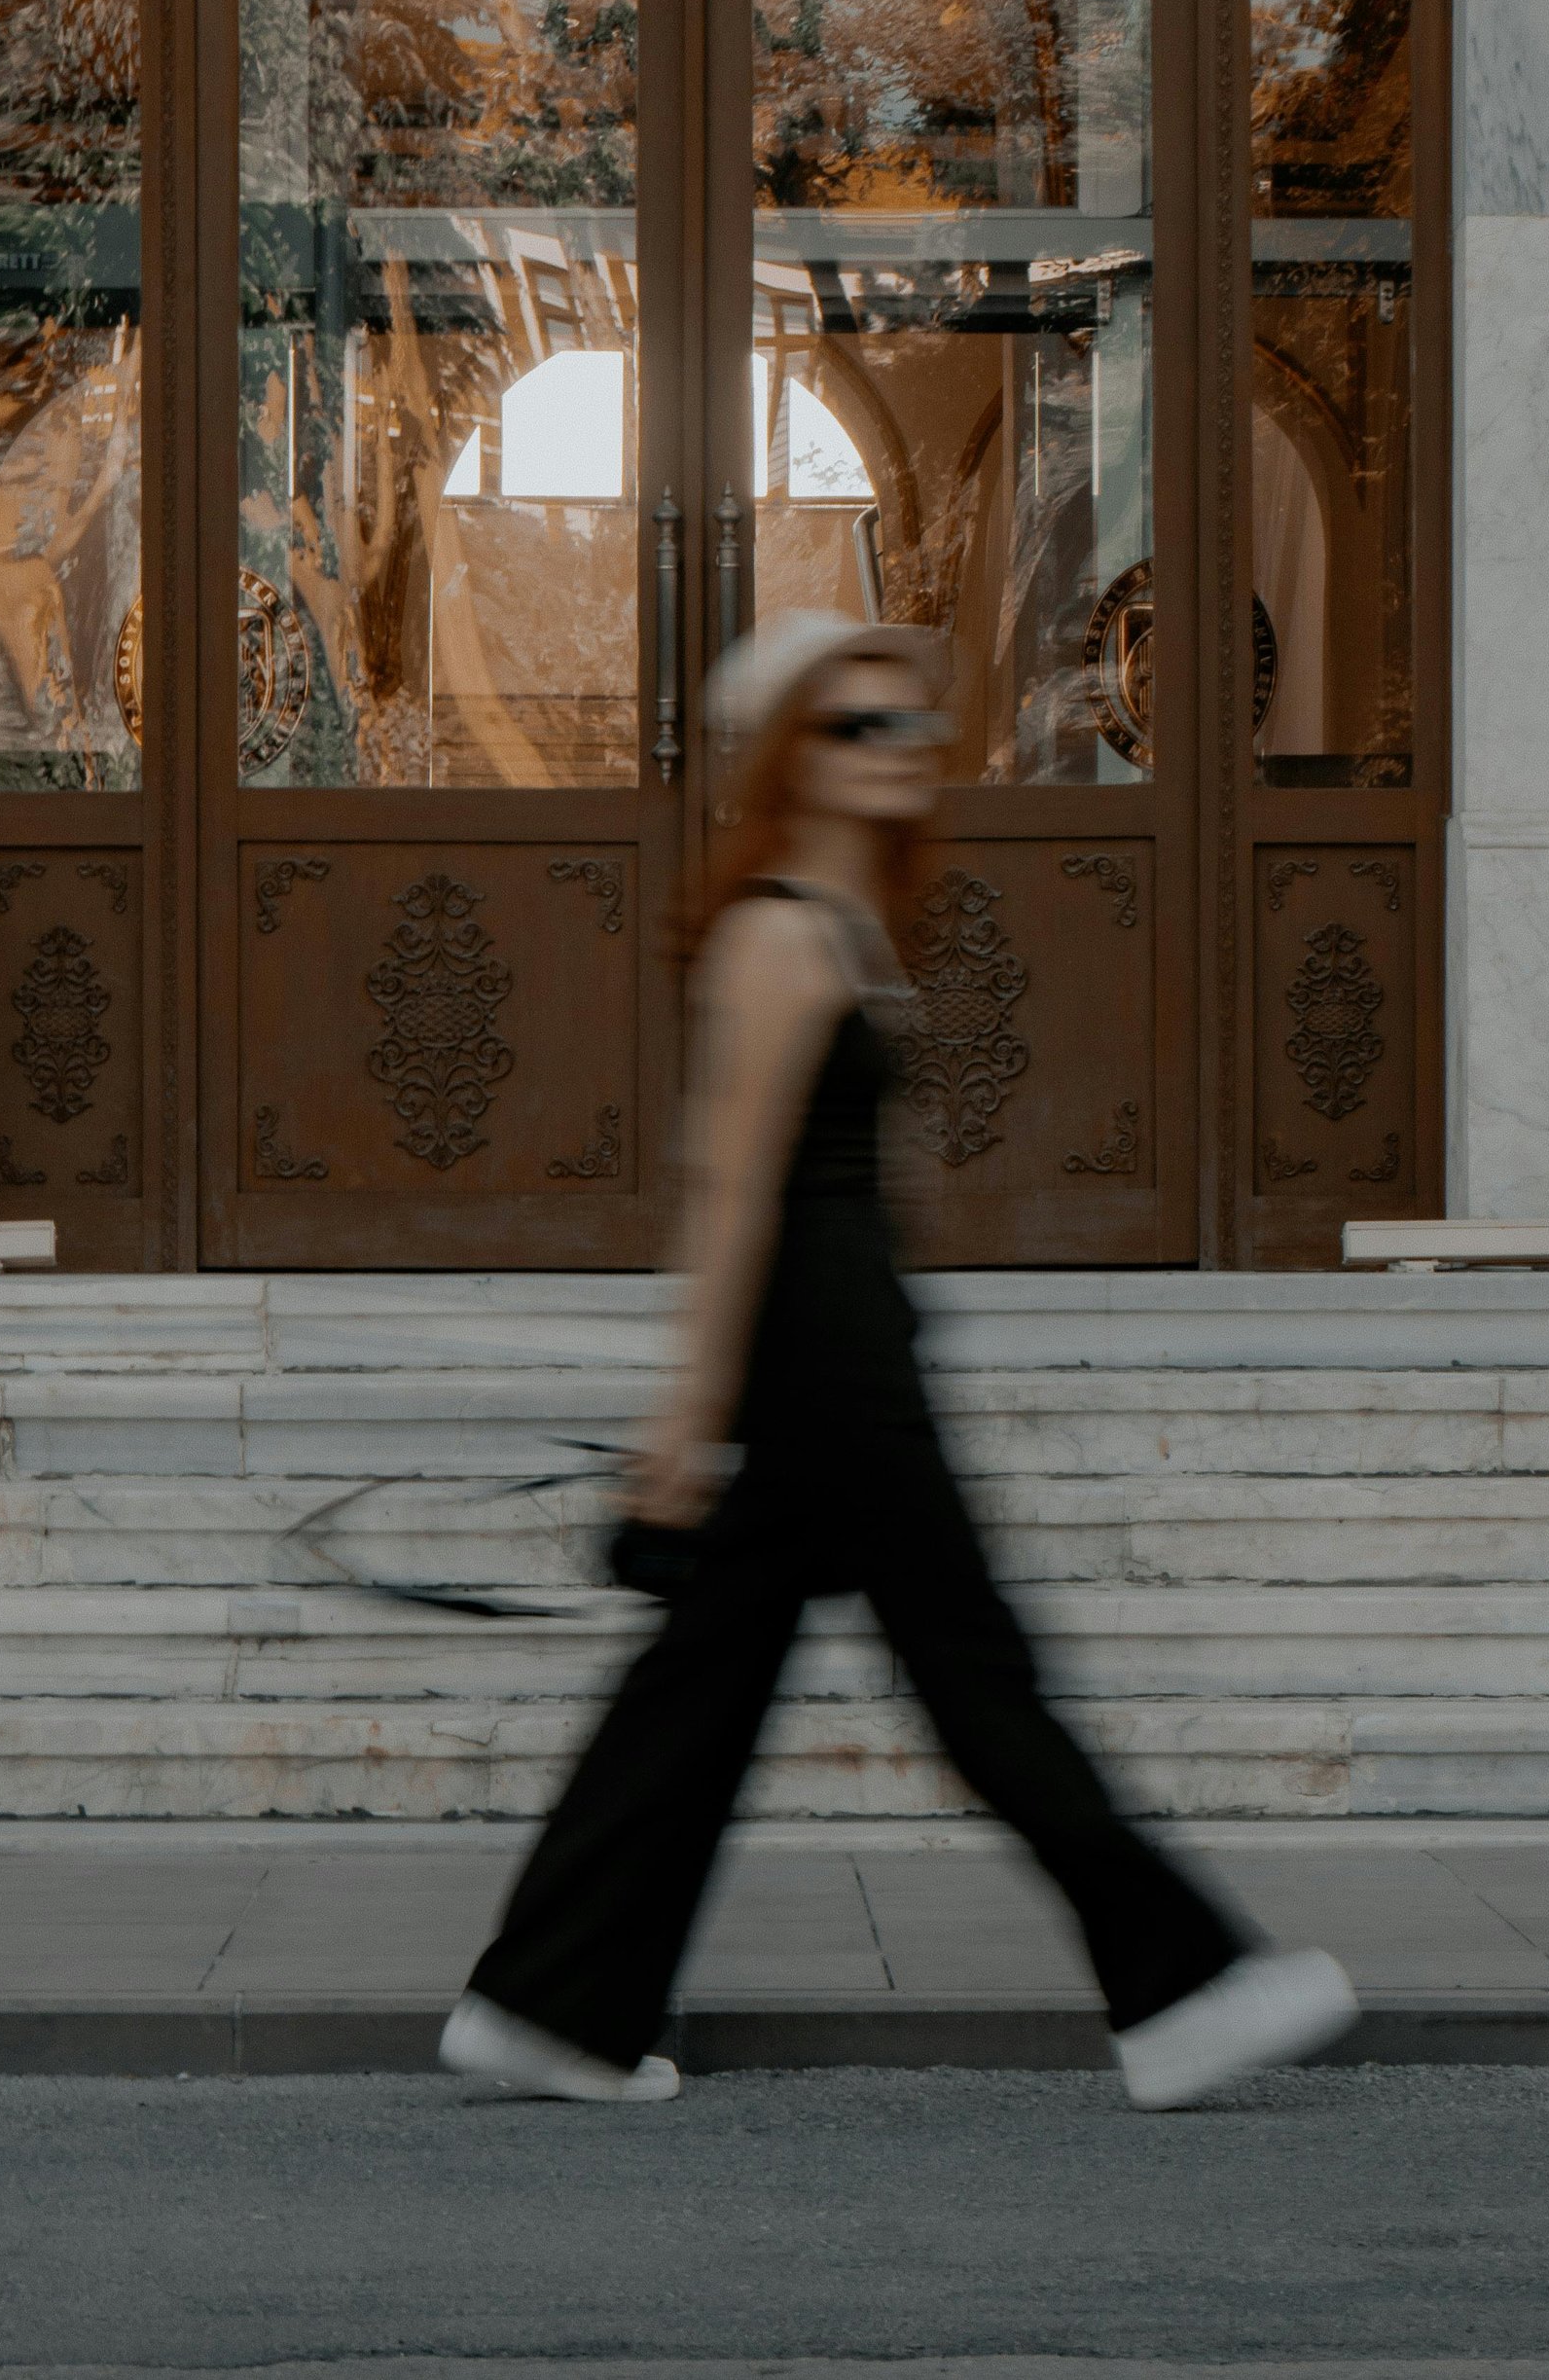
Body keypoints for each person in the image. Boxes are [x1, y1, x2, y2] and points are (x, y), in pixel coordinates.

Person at [441, 610, 1357, 2110]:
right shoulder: (780, 932)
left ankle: (550, 2002)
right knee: (976, 1668)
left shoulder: (847, 919)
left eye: (910, 724)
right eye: (856, 724)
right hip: (824, 1358)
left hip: (848, 1333)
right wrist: (686, 1408)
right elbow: (729, 1186)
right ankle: (1184, 1986)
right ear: (792, 754)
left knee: (705, 1681)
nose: (900, 748)